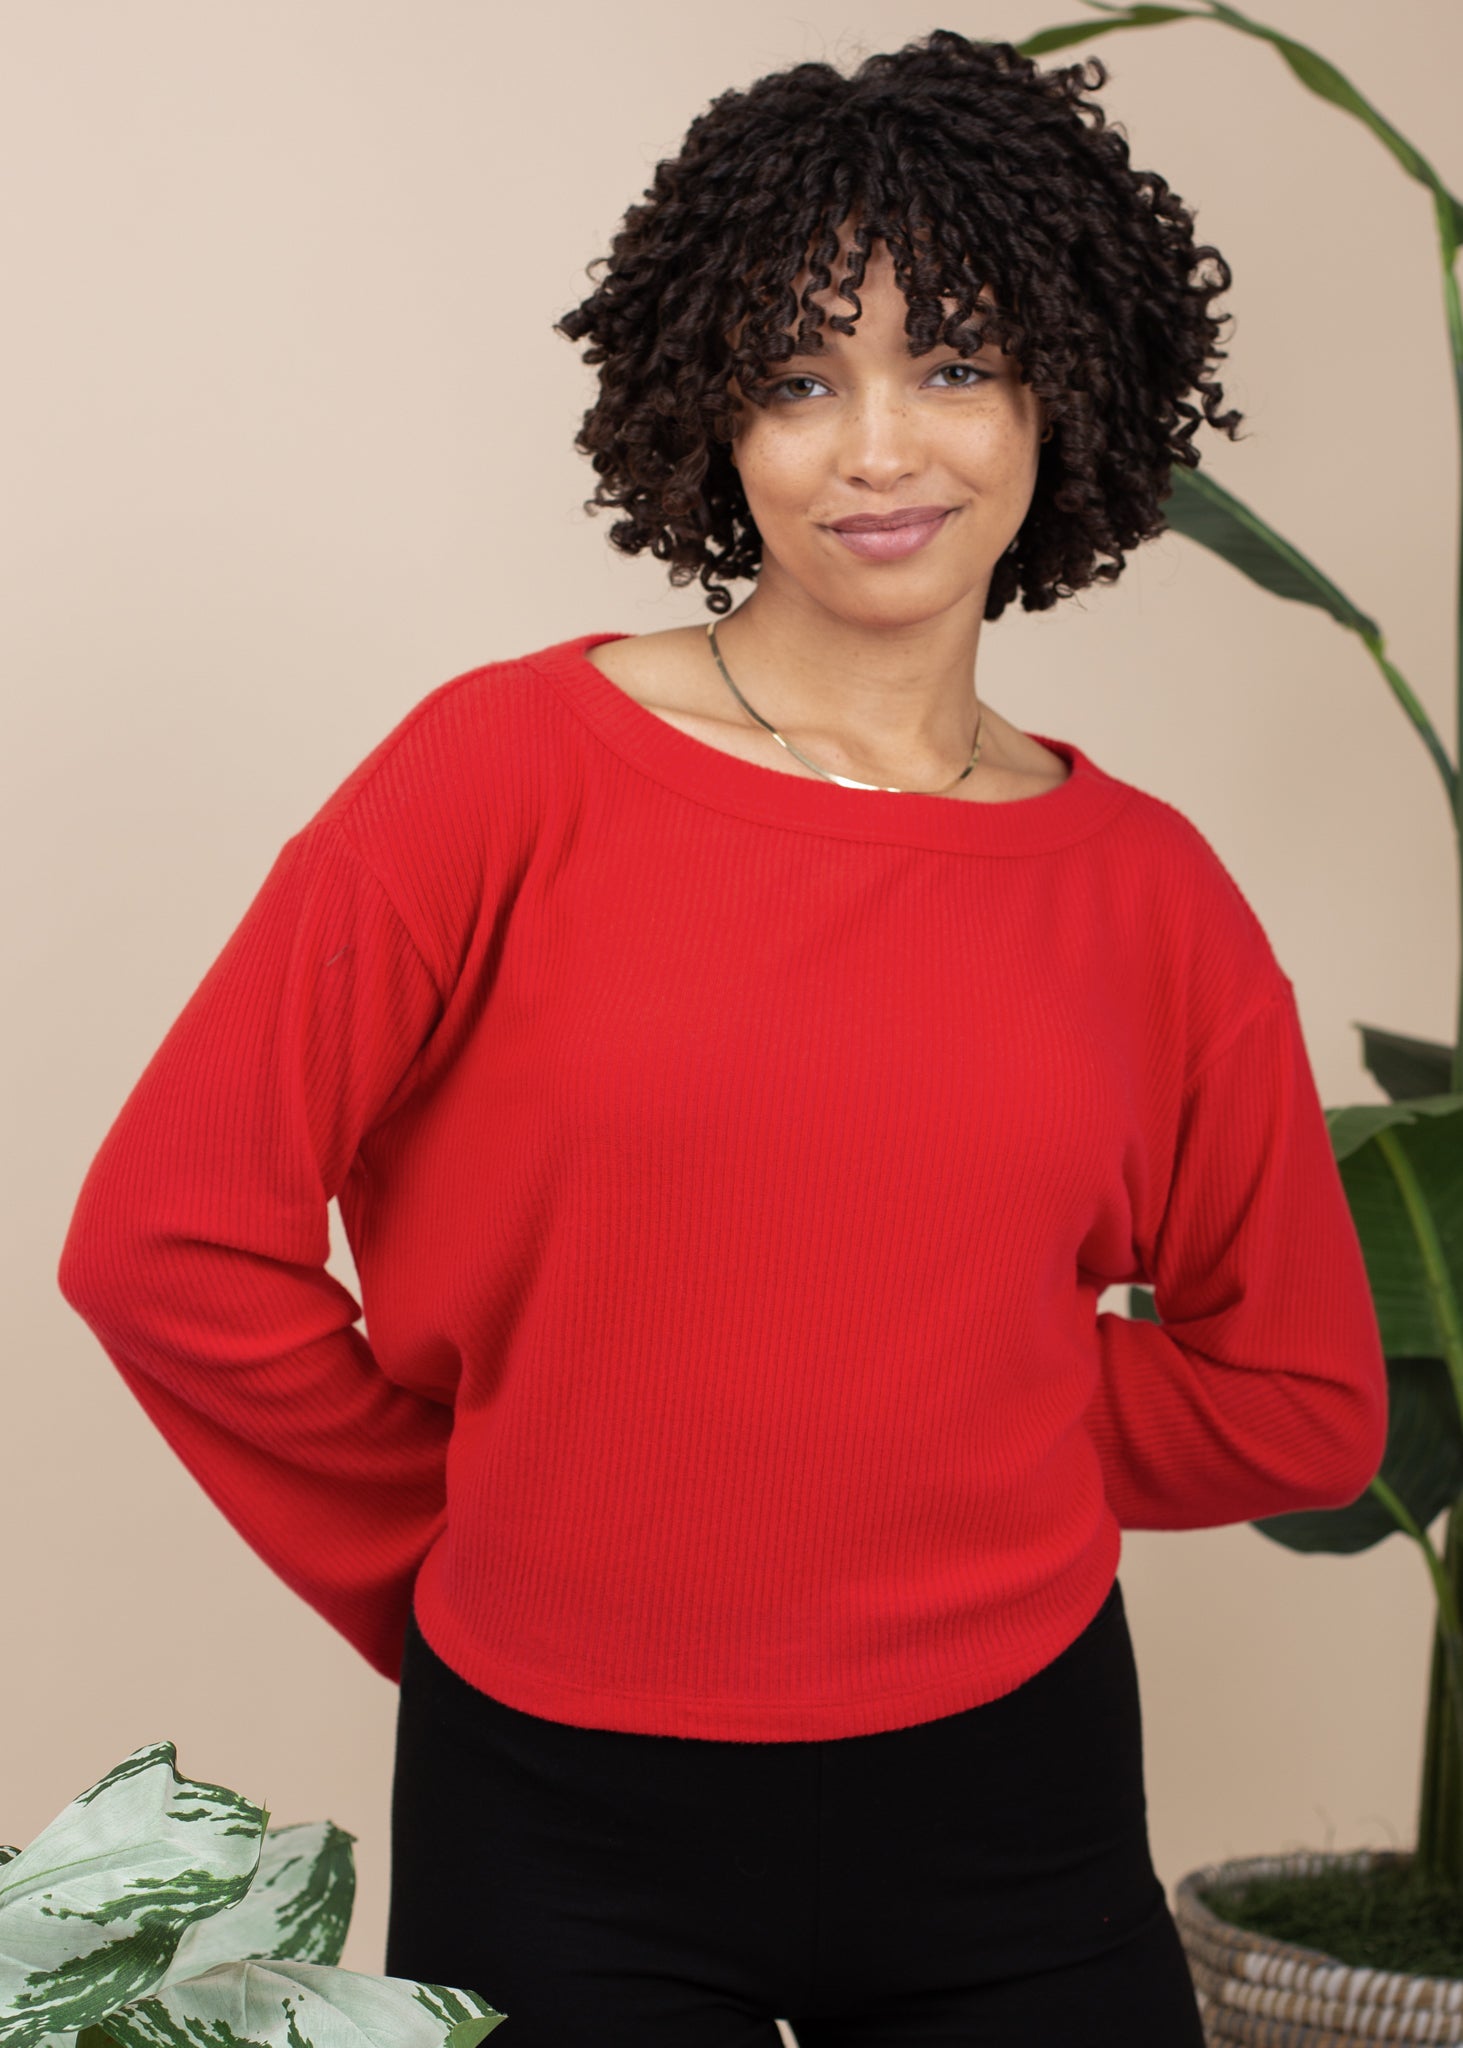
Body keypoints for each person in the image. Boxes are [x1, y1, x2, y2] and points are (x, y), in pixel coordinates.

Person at [56, 26, 1389, 2047]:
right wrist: (475, 1528)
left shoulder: (1150, 897)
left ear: (1069, 388)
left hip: (1015, 1804)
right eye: (796, 378)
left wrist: (930, 1404)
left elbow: (1301, 1400)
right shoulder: (500, 774)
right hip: (558, 1810)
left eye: (955, 363)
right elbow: (162, 1238)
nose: (879, 448)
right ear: (706, 415)